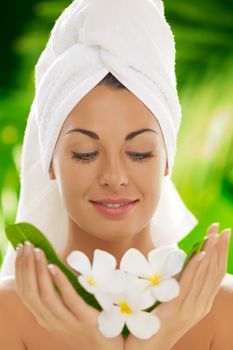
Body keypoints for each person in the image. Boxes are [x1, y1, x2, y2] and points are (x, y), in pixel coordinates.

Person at [0, 0, 233, 349]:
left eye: (139, 153)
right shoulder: (9, 312)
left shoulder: (222, 309)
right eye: (85, 153)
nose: (114, 176)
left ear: (166, 160)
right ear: (50, 162)